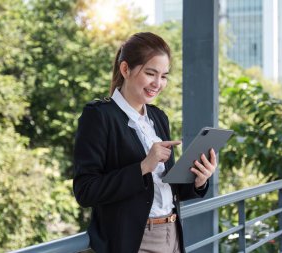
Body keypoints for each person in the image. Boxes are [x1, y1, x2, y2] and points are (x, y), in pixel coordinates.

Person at [73, 32, 217, 253]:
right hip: (134, 242)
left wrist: (199, 180)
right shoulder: (99, 116)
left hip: (173, 235)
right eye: (150, 73)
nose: (157, 84)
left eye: (164, 76)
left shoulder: (159, 117)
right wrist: (142, 167)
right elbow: (86, 191)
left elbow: (168, 189)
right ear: (125, 69)